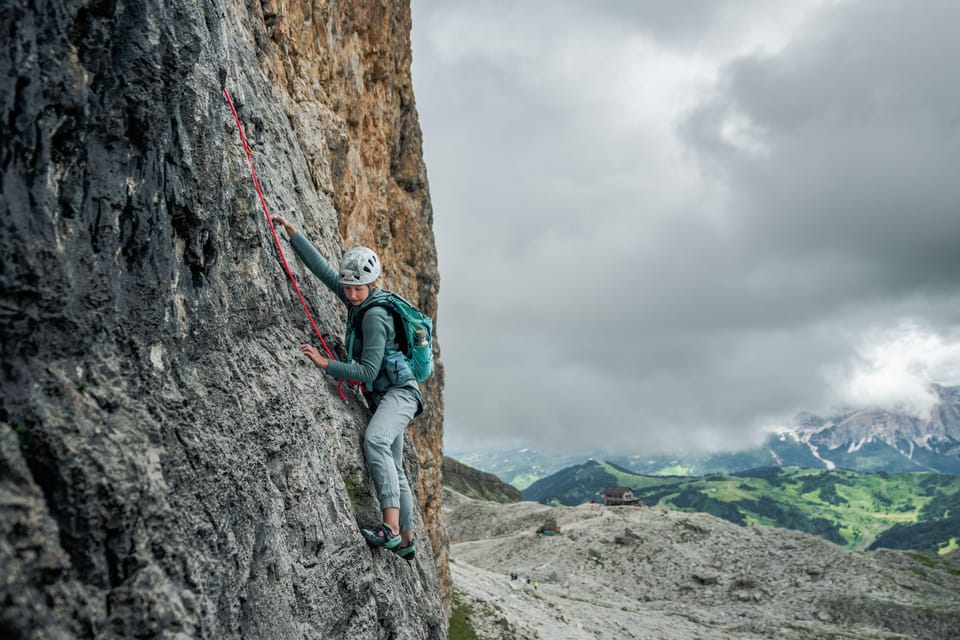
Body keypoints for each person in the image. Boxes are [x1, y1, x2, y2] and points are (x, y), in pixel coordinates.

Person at [272, 215, 422, 561]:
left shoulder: (373, 315)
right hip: (392, 394)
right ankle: (407, 542)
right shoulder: (360, 298)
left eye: (358, 288)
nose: (351, 294)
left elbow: (368, 372)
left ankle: (391, 529)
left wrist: (327, 365)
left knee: (376, 441)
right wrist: (294, 233)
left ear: (372, 284)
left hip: (398, 393)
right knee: (395, 468)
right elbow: (326, 273)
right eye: (349, 287)